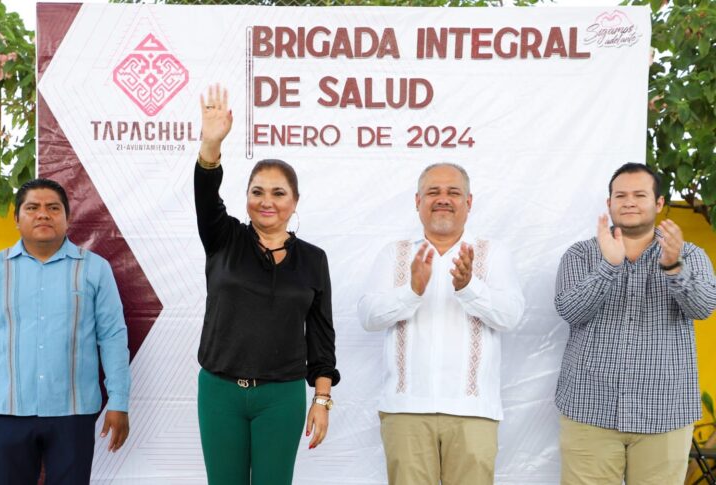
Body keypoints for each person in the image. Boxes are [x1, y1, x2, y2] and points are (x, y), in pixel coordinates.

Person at [194, 84, 340, 485]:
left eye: (278, 193)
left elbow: (321, 336)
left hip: (281, 395)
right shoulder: (224, 238)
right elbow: (206, 195)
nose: (267, 201)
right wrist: (211, 143)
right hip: (220, 391)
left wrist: (322, 398)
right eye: (257, 192)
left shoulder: (313, 259)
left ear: (295, 201)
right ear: (245, 198)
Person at [0, 178, 131, 485]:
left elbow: (113, 338)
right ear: (16, 218)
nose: (43, 215)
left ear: (67, 217)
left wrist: (119, 401)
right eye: (32, 208)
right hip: (8, 414)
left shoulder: (94, 269)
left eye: (53, 208)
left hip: (73, 414)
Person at [358, 163, 525, 485]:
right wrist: (412, 291)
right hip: (406, 410)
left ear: (469, 202)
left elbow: (510, 317)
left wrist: (468, 287)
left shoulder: (492, 254)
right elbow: (368, 317)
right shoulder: (396, 254)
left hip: (473, 411)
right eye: (433, 192)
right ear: (417, 201)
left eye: (453, 192)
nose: (443, 199)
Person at [554, 162, 716, 485]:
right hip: (590, 411)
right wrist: (609, 267)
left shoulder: (689, 254)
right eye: (620, 195)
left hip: (665, 414)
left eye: (639, 195)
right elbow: (569, 310)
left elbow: (703, 307)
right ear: (609, 203)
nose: (629, 202)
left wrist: (674, 267)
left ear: (658, 204)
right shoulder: (580, 255)